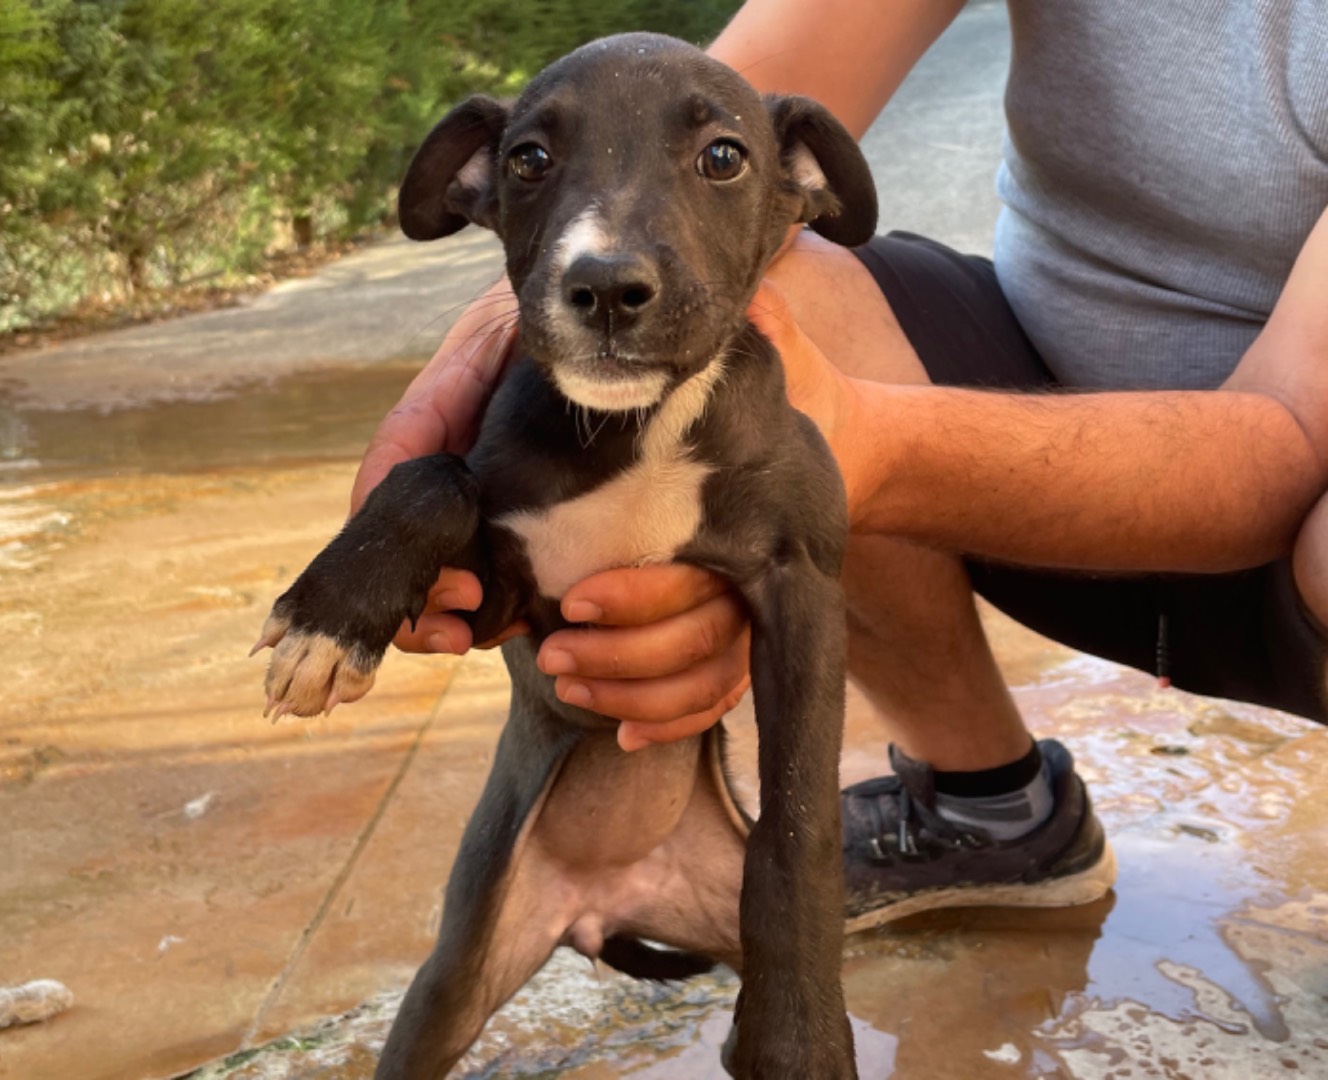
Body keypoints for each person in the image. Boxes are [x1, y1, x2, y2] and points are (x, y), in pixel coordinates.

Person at [350, 0, 1328, 924]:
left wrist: (812, 465)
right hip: (1039, 381)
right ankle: (991, 804)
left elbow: (1284, 439)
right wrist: (506, 336)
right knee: (773, 297)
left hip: (1291, 512)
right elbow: (693, 124)